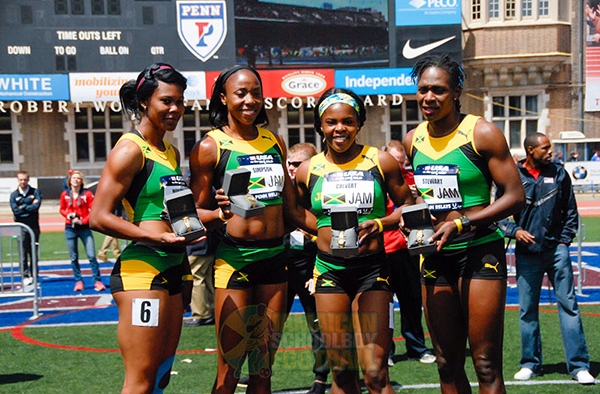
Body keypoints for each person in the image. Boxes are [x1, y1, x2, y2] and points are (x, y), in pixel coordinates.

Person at [403, 54, 525, 393]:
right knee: (446, 363)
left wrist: (462, 224)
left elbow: (515, 196)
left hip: (479, 251)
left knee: (486, 365)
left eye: (439, 90)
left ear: (456, 92)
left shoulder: (482, 132)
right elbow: (424, 198)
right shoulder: (414, 139)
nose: (429, 98)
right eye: (423, 89)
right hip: (434, 255)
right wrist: (409, 218)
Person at [189, 64, 315, 394]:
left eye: (256, 93)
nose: (250, 100)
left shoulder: (274, 141)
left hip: (276, 261)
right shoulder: (209, 147)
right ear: (224, 98)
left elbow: (292, 210)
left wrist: (333, 229)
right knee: (229, 369)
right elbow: (192, 214)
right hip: (235, 261)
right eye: (241, 93)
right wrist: (217, 211)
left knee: (263, 368)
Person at [294, 87, 415, 393]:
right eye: (331, 122)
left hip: (373, 271)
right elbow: (293, 211)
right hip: (329, 272)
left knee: (375, 373)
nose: (340, 129)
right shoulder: (308, 169)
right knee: (342, 372)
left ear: (359, 123)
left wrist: (380, 223)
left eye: (347, 121)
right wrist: (322, 228)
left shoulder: (381, 161)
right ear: (320, 125)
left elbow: (409, 205)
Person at [90, 63, 195, 393]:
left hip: (175, 267)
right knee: (140, 378)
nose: (175, 108)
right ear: (145, 102)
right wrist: (154, 235)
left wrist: (215, 213)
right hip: (142, 271)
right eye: (166, 101)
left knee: (162, 372)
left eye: (180, 101)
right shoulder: (129, 150)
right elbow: (99, 217)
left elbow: (170, 211)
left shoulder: (171, 152)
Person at [498, 132, 595, 385]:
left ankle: (579, 365)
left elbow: (571, 210)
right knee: (527, 311)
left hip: (556, 252)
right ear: (530, 151)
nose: (550, 151)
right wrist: (514, 230)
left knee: (569, 307)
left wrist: (563, 241)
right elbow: (496, 213)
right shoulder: (512, 176)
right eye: (545, 148)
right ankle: (530, 363)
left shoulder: (559, 173)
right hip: (527, 255)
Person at [382, 141, 435, 366]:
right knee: (384, 304)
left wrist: (416, 197)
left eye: (403, 163)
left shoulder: (413, 179)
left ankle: (417, 347)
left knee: (412, 301)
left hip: (408, 249)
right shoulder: (379, 177)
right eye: (397, 162)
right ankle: (388, 351)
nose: (401, 167)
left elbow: (426, 208)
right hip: (383, 249)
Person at [284, 142, 329, 394]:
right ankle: (259, 372)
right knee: (269, 323)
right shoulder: (277, 189)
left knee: (318, 325)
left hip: (311, 269)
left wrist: (310, 234)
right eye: (290, 163)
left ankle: (320, 378)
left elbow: (328, 233)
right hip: (280, 267)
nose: (292, 168)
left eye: (298, 164)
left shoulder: (319, 193)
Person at [59, 170, 105, 292]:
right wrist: (68, 215)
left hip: (84, 228)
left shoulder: (87, 194)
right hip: (70, 228)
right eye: (74, 178)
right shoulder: (65, 194)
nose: (76, 180)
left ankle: (97, 280)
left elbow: (93, 210)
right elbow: (62, 209)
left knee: (91, 255)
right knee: (73, 257)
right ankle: (78, 281)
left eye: (78, 178)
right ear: (70, 180)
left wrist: (83, 221)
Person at [9, 170, 42, 286]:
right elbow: (16, 211)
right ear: (18, 180)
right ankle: (24, 275)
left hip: (33, 226)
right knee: (22, 252)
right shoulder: (14, 195)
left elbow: (36, 207)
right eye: (21, 180)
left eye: (25, 179)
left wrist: (24, 207)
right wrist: (28, 206)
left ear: (28, 180)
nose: (23, 182)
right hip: (20, 227)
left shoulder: (35, 192)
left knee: (33, 251)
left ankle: (34, 275)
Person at [183, 229, 220, 327]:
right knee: (207, 278)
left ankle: (201, 314)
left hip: (197, 244)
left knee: (196, 277)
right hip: (210, 242)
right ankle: (210, 312)